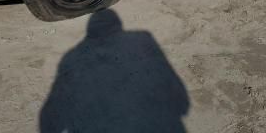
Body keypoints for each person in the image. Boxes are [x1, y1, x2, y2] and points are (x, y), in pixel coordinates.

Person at [40, 9, 189, 132]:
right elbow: (180, 98)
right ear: (117, 26)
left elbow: (50, 119)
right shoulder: (143, 39)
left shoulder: (72, 57)